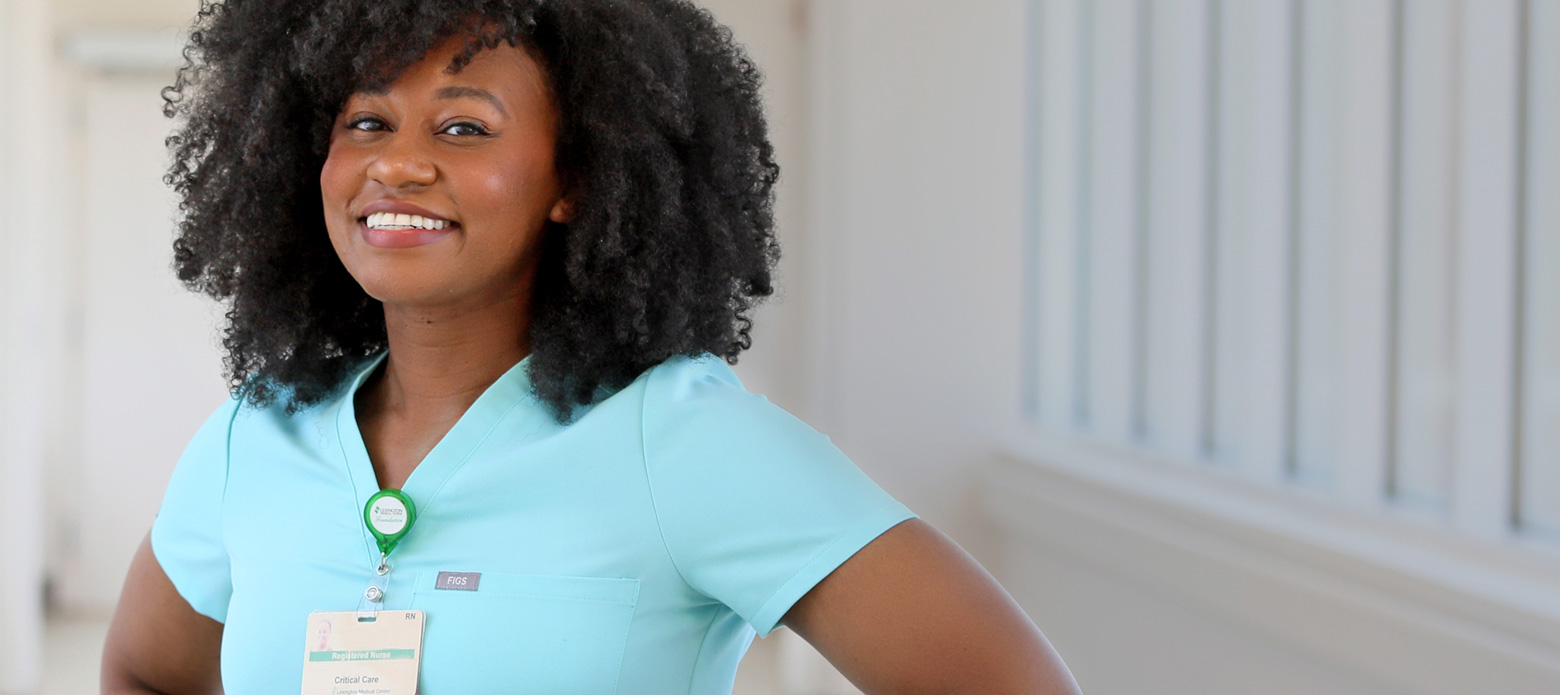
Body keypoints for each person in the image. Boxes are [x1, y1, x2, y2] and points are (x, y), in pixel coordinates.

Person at [100, 1, 1080, 693]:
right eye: (367, 122)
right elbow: (145, 671)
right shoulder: (257, 437)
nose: (397, 162)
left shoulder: (681, 440)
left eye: (462, 125)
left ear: (574, 177)